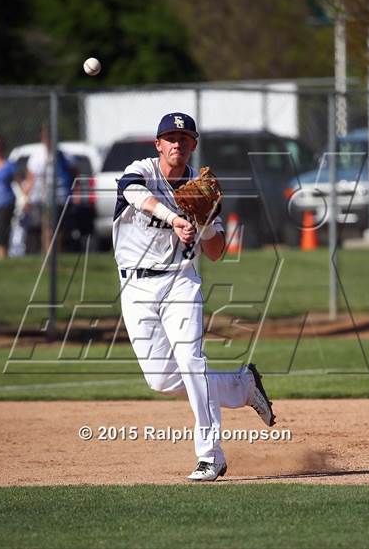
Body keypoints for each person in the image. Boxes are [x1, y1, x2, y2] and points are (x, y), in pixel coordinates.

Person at [112, 112, 276, 482]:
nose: (177, 143)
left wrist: (201, 222)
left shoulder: (202, 191)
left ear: (193, 145)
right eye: (170, 137)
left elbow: (217, 251)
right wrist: (174, 218)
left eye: (184, 138)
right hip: (135, 286)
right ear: (158, 144)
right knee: (162, 382)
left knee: (191, 361)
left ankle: (210, 456)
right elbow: (133, 193)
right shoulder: (142, 171)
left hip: (180, 283)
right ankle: (242, 385)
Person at [25, 124, 77, 253]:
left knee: (59, 229)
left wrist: (76, 193)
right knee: (48, 229)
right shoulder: (36, 158)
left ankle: (56, 254)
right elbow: (30, 180)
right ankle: (48, 254)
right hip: (44, 198)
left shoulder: (64, 156)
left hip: (61, 197)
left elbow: (75, 174)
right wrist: (25, 198)